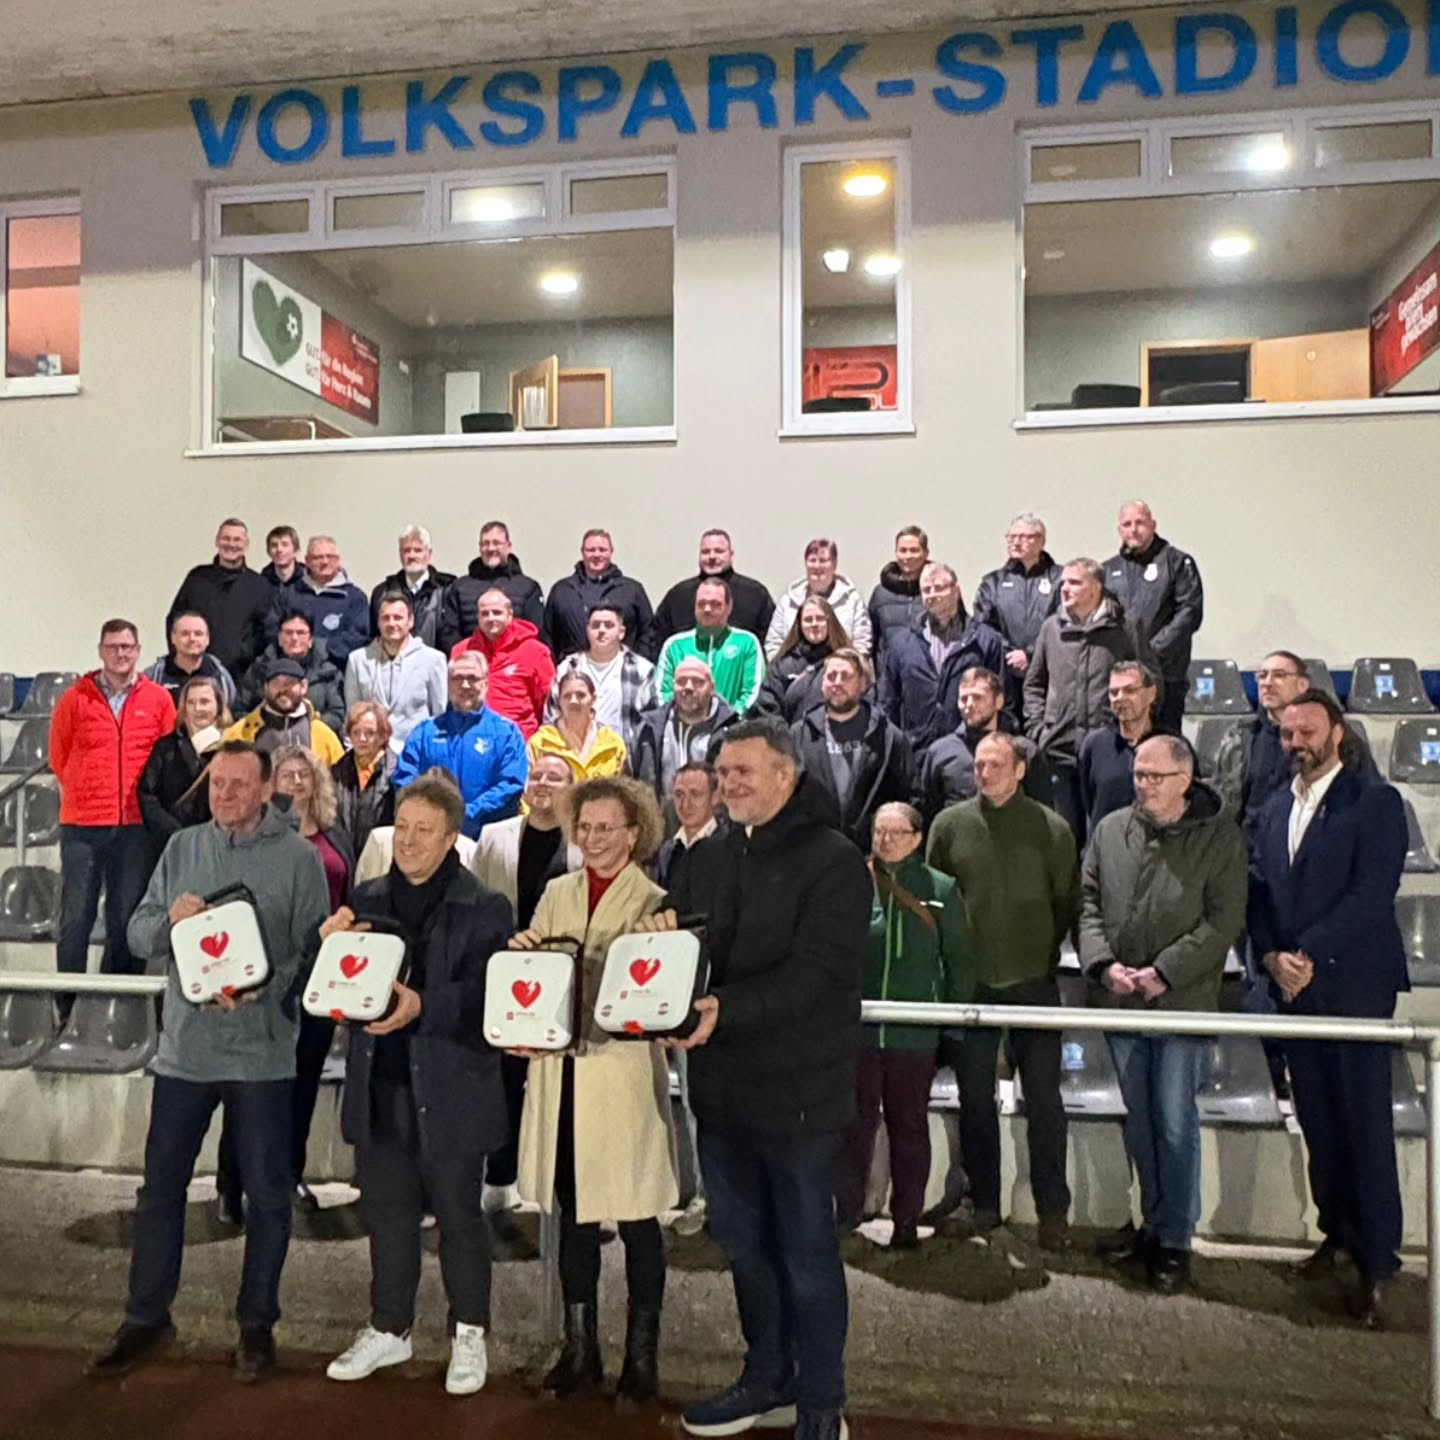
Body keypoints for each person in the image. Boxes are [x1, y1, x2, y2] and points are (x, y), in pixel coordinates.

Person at [652, 719, 870, 1440]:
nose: (728, 783)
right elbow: (688, 940)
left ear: (787, 773)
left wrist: (724, 1007)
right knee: (745, 1250)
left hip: (801, 1097)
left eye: (742, 771)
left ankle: (821, 1406)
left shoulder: (835, 860)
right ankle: (766, 1378)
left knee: (807, 1257)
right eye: (722, 773)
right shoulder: (711, 855)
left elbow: (819, 974)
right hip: (723, 1092)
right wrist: (662, 949)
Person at [86, 742, 328, 1382]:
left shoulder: (299, 859)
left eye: (238, 784)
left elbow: (313, 954)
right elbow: (136, 934)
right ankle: (146, 1317)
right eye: (217, 783)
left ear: (268, 789)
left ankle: (257, 1326)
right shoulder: (182, 848)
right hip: (185, 1053)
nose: (223, 794)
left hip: (262, 1055)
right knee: (160, 1190)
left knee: (268, 1197)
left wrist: (263, 990)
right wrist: (169, 921)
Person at [322, 771, 513, 1395]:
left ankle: (469, 1332)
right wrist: (329, 951)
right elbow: (340, 984)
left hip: (453, 1087)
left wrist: (423, 1007)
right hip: (380, 1082)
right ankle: (389, 1325)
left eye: (423, 830)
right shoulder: (366, 898)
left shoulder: (486, 906)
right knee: (388, 1215)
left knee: (459, 1218)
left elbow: (488, 997)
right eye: (401, 827)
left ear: (452, 838)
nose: (407, 840)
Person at [509, 777, 679, 1406]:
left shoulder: (656, 900)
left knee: (637, 1217)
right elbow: (537, 970)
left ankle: (642, 1358)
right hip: (561, 1072)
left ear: (634, 834)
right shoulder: (556, 892)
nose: (593, 838)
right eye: (585, 826)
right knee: (572, 1215)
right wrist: (524, 955)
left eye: (607, 827)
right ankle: (580, 1350)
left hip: (621, 1075)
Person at [1247, 689, 1409, 1328]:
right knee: (1318, 1122)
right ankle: (1336, 1236)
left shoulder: (1376, 802)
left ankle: (1377, 1262)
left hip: (1353, 986)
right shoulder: (1271, 809)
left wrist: (1307, 952)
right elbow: (1260, 895)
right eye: (1288, 735)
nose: (1296, 743)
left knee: (1364, 1125)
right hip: (1294, 989)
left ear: (1337, 732)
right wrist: (1270, 957)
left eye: (1307, 732)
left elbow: (1372, 894)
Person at [1082, 735, 1246, 1294]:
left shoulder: (1219, 837)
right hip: (1122, 1001)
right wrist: (1104, 965)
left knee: (1175, 1124)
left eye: (1156, 776)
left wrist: (1165, 972)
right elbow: (1088, 902)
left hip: (1181, 1004)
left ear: (1186, 778)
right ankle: (1152, 1225)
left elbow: (1223, 920)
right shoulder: (1111, 830)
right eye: (1139, 775)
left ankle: (1175, 1240)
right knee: (1141, 1121)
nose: (1144, 784)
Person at [926, 732, 1078, 1249]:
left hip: (1033, 980)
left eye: (995, 765)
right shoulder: (950, 826)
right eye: (979, 765)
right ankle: (983, 1202)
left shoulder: (1052, 829)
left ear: (1019, 769)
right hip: (972, 984)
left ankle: (1053, 1209)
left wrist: (1040, 952)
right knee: (975, 1098)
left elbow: (1066, 902)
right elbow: (937, 899)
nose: (984, 773)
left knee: (1044, 1099)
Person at [838, 802, 971, 1248]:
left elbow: (958, 960)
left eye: (897, 832)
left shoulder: (941, 889)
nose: (886, 840)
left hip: (914, 1032)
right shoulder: (852, 882)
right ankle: (846, 1213)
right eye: (880, 831)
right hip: (859, 1031)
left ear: (917, 839)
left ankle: (907, 1219)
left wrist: (950, 1026)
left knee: (908, 1127)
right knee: (852, 1126)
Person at [470, 755, 583, 1212]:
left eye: (555, 778)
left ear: (571, 789)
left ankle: (561, 1184)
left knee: (560, 1086)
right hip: (506, 978)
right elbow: (474, 904)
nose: (543, 783)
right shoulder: (494, 837)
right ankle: (500, 1177)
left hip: (563, 980)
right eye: (537, 775)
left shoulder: (583, 843)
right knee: (504, 1082)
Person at [49, 620, 176, 978]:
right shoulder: (75, 698)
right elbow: (58, 756)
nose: (121, 653)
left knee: (126, 919)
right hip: (82, 826)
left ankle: (120, 1001)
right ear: (101, 651)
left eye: (127, 647)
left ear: (138, 651)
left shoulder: (159, 700)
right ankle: (67, 999)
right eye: (113, 647)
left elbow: (167, 756)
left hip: (136, 826)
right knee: (76, 918)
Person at [263, 747, 355, 1212]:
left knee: (304, 1080)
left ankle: (289, 1175)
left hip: (323, 976)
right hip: (277, 973)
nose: (296, 782)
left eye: (305, 774)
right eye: (287, 774)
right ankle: (234, 1182)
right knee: (260, 1084)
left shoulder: (335, 835)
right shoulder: (262, 837)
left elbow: (350, 895)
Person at [1023, 558, 1156, 843]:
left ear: (1095, 588)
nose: (1065, 588)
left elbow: (1150, 679)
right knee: (1064, 838)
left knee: (1108, 835)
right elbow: (1033, 684)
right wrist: (1039, 729)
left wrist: (1134, 730)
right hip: (1059, 749)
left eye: (1074, 582)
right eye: (1063, 582)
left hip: (1109, 751)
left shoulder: (1125, 627)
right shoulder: (1051, 629)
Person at [1214, 652, 1378, 835]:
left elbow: (1370, 796)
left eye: (1279, 675)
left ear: (1302, 685)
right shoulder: (1242, 738)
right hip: (1254, 846)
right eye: (1262, 676)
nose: (1267, 683)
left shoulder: (1339, 736)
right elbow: (1223, 809)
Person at [791, 649, 915, 851]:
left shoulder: (888, 737)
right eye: (831, 676)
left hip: (872, 854)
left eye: (846, 676)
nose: (837, 682)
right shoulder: (799, 735)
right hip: (814, 853)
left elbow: (908, 797)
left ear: (862, 683)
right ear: (822, 684)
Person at [394, 653, 527, 840]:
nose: (464, 685)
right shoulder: (425, 732)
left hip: (486, 838)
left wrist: (467, 814)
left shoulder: (506, 733)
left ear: (486, 683)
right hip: (431, 838)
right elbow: (405, 778)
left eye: (472, 678)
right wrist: (434, 814)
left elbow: (511, 784)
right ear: (448, 684)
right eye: (457, 678)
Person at [880, 562, 1006, 753]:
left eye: (938, 588)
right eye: (926, 590)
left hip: (968, 753)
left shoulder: (985, 641)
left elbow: (1003, 701)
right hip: (915, 753)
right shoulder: (902, 643)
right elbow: (888, 701)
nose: (932, 595)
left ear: (956, 591)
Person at [1102, 502, 1204, 733]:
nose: (1134, 529)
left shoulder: (1177, 562)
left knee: (1164, 743)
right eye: (1127, 524)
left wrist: (1149, 653)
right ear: (1119, 530)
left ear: (1153, 525)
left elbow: (1190, 612)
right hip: (1122, 679)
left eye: (1140, 522)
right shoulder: (1107, 570)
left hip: (1167, 676)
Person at [918, 666, 1050, 819]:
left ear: (999, 701)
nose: (969, 705)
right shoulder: (941, 752)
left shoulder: (1024, 751)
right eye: (963, 699)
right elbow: (928, 813)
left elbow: (1043, 812)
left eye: (977, 697)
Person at [972, 513, 1062, 717]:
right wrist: (1010, 654)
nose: (1016, 542)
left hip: (1048, 673)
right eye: (1011, 537)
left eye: (1023, 537)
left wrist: (1030, 655)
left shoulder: (1060, 579)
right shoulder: (993, 582)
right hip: (1004, 673)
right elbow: (983, 624)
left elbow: (1062, 620)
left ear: (1041, 541)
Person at [345, 591, 447, 756]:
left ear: (410, 621)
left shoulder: (433, 660)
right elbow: (352, 715)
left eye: (398, 617)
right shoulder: (358, 660)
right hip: (372, 756)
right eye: (385, 618)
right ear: (378, 622)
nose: (391, 623)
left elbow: (440, 716)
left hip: (417, 755)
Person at [168, 518, 274, 676]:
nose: (231, 544)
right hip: (196, 674)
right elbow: (174, 622)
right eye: (226, 538)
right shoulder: (197, 579)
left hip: (243, 679)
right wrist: (179, 664)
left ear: (246, 545)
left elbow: (268, 634)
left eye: (237, 540)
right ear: (217, 541)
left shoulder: (260, 586)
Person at [547, 605, 657, 755]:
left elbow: (650, 723)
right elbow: (551, 716)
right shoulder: (568, 667)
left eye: (609, 625)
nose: (601, 630)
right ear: (587, 631)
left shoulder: (642, 670)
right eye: (595, 625)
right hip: (572, 756)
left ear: (621, 632)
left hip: (623, 758)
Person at [630, 658, 738, 806]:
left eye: (697, 682)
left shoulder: (731, 731)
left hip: (714, 817)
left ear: (712, 687)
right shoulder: (648, 729)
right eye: (681, 681)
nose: (688, 687)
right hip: (661, 817)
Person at [451, 589, 556, 740]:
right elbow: (454, 698)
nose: (491, 618)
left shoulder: (534, 651)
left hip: (519, 741)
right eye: (484, 614)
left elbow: (549, 703)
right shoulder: (461, 651)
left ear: (510, 615)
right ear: (478, 617)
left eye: (497, 612)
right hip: (471, 739)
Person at [137, 675, 229, 845]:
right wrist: (174, 832)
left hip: (221, 842)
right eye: (191, 703)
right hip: (174, 842)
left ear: (218, 705)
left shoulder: (233, 748)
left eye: (205, 702)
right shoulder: (166, 748)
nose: (198, 708)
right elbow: (147, 795)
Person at [544, 528, 655, 661]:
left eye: (602, 550)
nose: (597, 554)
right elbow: (548, 634)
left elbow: (648, 631)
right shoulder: (562, 590)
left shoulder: (632, 590)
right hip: (574, 668)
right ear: (582, 552)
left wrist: (636, 662)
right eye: (591, 550)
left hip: (621, 668)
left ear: (611, 551)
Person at [656, 578, 765, 713]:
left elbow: (753, 694)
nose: (707, 609)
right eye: (702, 604)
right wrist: (686, 719)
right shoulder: (674, 646)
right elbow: (662, 695)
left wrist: (728, 721)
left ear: (729, 607)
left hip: (733, 724)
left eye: (715, 604)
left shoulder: (747, 643)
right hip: (682, 724)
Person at [1078, 660, 1164, 832]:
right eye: (1114, 692)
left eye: (1130, 690)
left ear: (1151, 694)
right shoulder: (1094, 745)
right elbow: (1087, 802)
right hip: (1108, 844)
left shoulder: (1170, 746)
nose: (1120, 698)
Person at [653, 528, 775, 647]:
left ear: (731, 555)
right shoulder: (678, 595)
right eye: (705, 552)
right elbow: (656, 639)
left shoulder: (755, 594)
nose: (712, 556)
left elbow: (770, 640)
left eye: (719, 551)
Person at [437, 520, 545, 653]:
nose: (491, 548)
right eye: (485, 543)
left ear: (509, 546)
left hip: (515, 662)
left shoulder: (528, 588)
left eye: (496, 543)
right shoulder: (459, 588)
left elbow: (535, 631)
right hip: (470, 660)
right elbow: (448, 632)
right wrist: (468, 657)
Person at [765, 537, 872, 661]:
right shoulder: (788, 601)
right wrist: (782, 668)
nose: (817, 566)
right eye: (812, 560)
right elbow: (774, 642)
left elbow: (862, 642)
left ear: (834, 564)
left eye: (823, 560)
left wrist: (848, 667)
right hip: (794, 670)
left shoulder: (852, 600)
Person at [238, 609, 345, 731]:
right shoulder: (260, 668)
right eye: (288, 632)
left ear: (311, 640)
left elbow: (338, 713)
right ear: (279, 639)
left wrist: (306, 726)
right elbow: (239, 709)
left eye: (301, 633)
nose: (294, 638)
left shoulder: (328, 672)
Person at [225, 658, 344, 765]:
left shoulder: (324, 735)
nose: (283, 690)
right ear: (266, 688)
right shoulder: (239, 733)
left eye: (290, 683)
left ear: (303, 687)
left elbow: (339, 776)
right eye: (276, 683)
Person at [278, 535, 370, 670]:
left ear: (338, 560)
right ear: (307, 561)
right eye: (318, 557)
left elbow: (358, 637)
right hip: (293, 670)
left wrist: (320, 649)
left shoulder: (354, 598)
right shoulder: (290, 593)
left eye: (330, 557)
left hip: (335, 674)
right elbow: (275, 631)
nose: (325, 562)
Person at [753, 597, 849, 723]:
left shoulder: (849, 662)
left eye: (820, 618)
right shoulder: (782, 666)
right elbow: (767, 708)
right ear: (799, 625)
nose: (814, 624)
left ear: (830, 622)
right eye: (808, 620)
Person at [367, 524, 455, 649]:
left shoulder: (448, 588)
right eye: (406, 551)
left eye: (418, 550)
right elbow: (374, 637)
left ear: (429, 554)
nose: (412, 556)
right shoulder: (383, 592)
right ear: (400, 555)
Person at [529, 671, 627, 780]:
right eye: (567, 696)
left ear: (593, 699)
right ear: (559, 701)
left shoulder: (612, 743)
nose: (573, 701)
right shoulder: (541, 742)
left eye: (581, 695)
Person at [332, 702, 397, 862]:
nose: (362, 739)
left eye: (370, 733)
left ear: (383, 736)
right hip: (343, 857)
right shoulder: (335, 773)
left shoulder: (395, 773)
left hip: (381, 858)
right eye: (356, 732)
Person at [143, 612, 237, 707]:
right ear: (173, 638)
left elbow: (228, 711)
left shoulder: (221, 676)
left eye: (198, 634)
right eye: (185, 634)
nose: (192, 639)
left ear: (207, 639)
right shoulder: (154, 676)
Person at [866, 525, 929, 665]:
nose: (908, 556)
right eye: (903, 550)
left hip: (928, 673)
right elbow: (871, 638)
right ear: (896, 553)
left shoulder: (938, 592)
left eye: (914, 550)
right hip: (888, 673)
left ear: (925, 553)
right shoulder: (881, 594)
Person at [655, 762, 723, 890]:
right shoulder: (667, 851)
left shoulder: (729, 850)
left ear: (714, 798)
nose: (685, 804)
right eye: (679, 794)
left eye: (695, 794)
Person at [261, 525, 305, 591]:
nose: (279, 549)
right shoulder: (261, 582)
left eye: (285, 544)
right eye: (274, 545)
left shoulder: (310, 581)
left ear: (296, 551)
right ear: (268, 552)